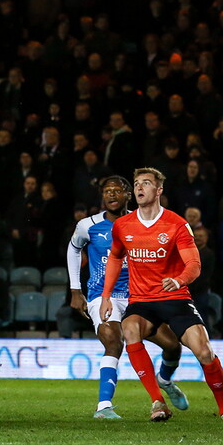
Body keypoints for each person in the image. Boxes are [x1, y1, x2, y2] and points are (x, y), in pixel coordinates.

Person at [100, 168, 223, 423]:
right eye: (136, 183)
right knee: (129, 328)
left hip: (175, 298)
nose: (139, 188)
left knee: (204, 351)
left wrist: (178, 280)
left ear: (158, 190)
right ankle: (158, 402)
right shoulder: (122, 225)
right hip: (141, 301)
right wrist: (106, 295)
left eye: (146, 183)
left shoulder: (176, 224)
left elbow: (194, 265)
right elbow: (115, 257)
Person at [68, 175, 187, 419]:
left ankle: (164, 380)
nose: (111, 194)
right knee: (113, 341)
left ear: (128, 195)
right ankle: (103, 407)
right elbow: (73, 248)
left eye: (117, 190)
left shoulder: (141, 222)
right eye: (107, 191)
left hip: (138, 298)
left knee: (173, 346)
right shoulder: (87, 225)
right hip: (102, 297)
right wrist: (75, 290)